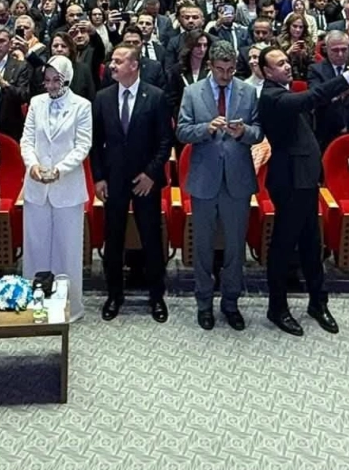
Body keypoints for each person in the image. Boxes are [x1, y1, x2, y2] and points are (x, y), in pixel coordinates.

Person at [256, 44, 349, 335]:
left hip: (306, 179)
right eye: (279, 64)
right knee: (284, 246)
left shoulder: (286, 92)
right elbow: (312, 97)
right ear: (266, 72)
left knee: (312, 244)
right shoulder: (271, 96)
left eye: (286, 61)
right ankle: (277, 307)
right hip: (289, 182)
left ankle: (318, 302)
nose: (286, 66)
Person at [175, 40, 261, 330]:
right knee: (203, 247)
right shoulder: (192, 92)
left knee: (236, 247)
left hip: (237, 179)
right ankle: (204, 303)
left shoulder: (248, 91)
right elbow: (182, 131)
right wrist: (205, 128)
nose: (226, 75)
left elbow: (259, 133)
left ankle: (231, 303)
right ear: (210, 65)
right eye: (221, 69)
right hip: (204, 180)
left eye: (231, 69)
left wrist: (244, 132)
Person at [92, 45, 173, 321]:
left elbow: (165, 141)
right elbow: (95, 143)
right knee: (113, 239)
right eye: (111, 61)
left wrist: (151, 174)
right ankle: (114, 295)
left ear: (134, 65)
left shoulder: (156, 96)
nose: (112, 65)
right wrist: (99, 178)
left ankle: (156, 296)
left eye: (118, 61)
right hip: (113, 179)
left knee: (151, 238)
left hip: (145, 180)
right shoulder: (103, 97)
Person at [19, 55, 92, 319]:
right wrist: (33, 165)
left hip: (67, 186)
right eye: (47, 80)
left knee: (67, 249)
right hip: (36, 185)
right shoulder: (36, 103)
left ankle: (69, 307)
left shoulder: (82, 106)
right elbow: (26, 140)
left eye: (55, 80)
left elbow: (83, 145)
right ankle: (33, 305)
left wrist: (59, 169)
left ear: (67, 79)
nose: (50, 85)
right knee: (35, 246)